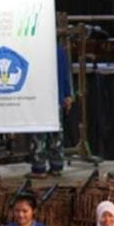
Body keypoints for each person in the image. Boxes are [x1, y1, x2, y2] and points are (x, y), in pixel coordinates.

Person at [30, 39, 73, 175]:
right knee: (56, 133)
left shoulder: (33, 50)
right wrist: (67, 95)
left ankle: (39, 167)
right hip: (56, 97)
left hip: (39, 97)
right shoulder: (59, 50)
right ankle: (56, 166)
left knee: (39, 133)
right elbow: (65, 74)